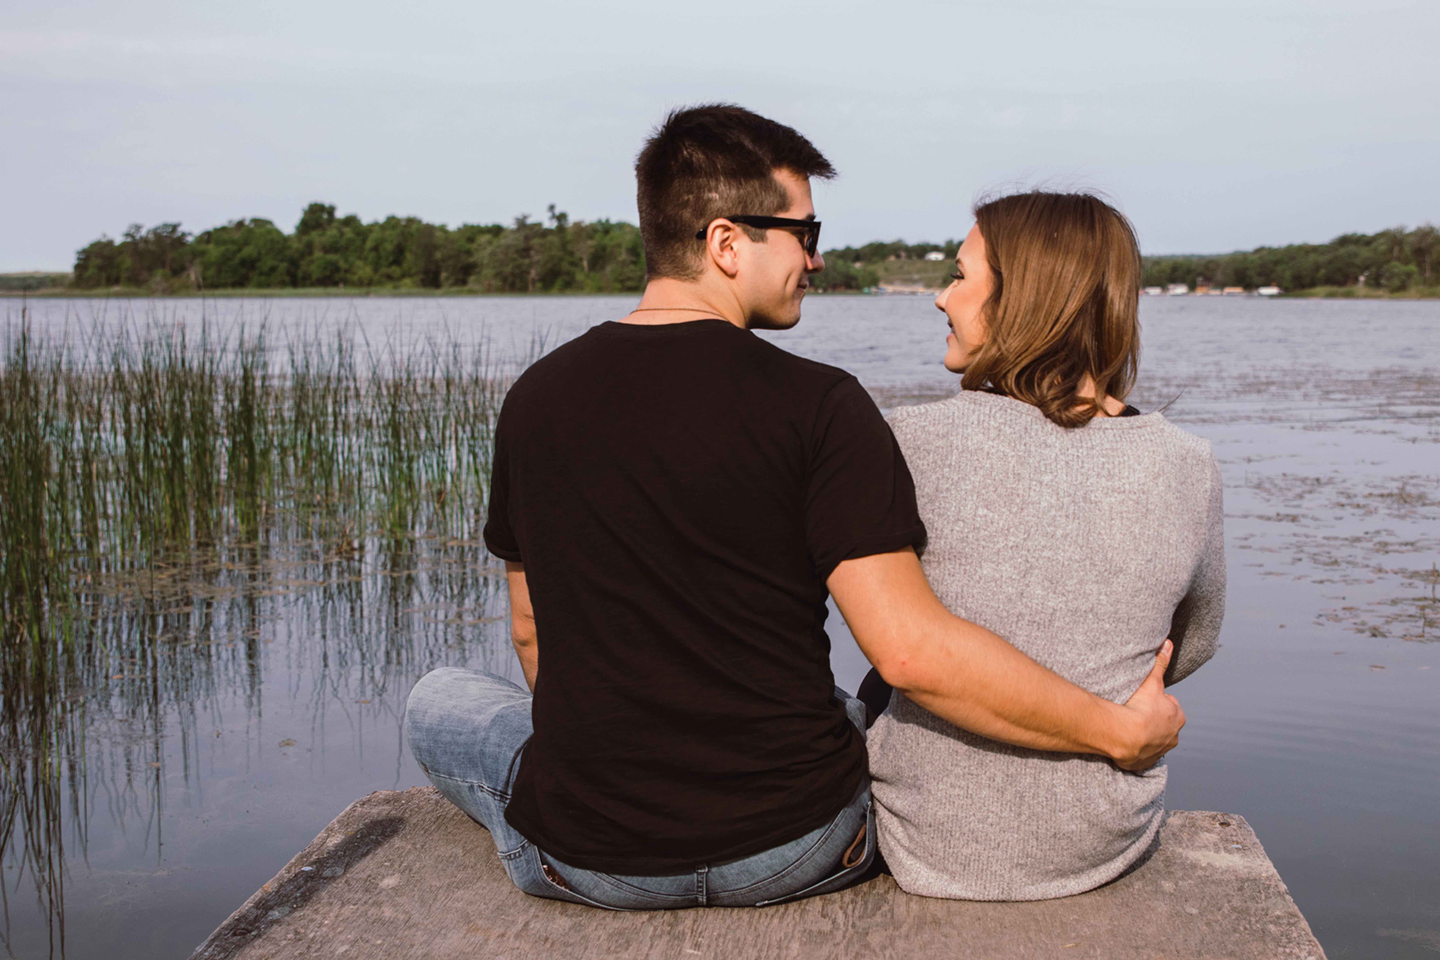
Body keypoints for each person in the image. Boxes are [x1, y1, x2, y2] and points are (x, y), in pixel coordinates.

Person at [404, 106, 1186, 911]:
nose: (815, 258)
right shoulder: (821, 405)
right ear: (725, 242)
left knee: (438, 699)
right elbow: (909, 652)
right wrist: (1117, 730)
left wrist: (620, 776)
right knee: (850, 706)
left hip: (591, 858)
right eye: (804, 233)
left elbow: (531, 632)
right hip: (801, 846)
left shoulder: (535, 399)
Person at [863, 191, 1226, 901]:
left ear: (1022, 298)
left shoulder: (907, 441)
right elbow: (1190, 645)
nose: (941, 297)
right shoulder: (1189, 463)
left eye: (960, 275)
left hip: (925, 833)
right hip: (1102, 835)